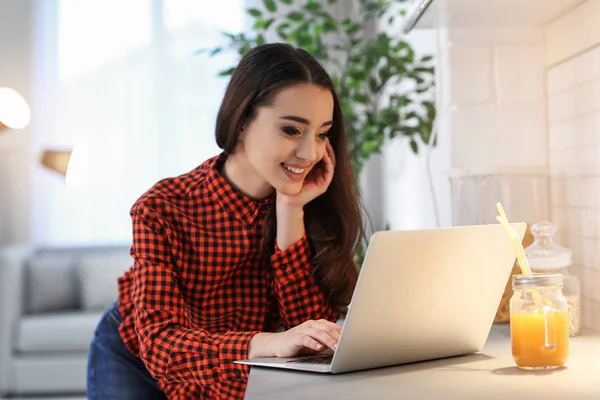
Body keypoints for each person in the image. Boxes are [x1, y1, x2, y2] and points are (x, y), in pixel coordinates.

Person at [86, 42, 365, 399]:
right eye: (292, 130)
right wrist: (270, 343)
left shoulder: (313, 201)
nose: (310, 153)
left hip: (237, 363)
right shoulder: (162, 208)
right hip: (136, 355)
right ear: (243, 120)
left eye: (322, 133)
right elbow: (161, 348)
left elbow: (308, 337)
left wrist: (291, 212)